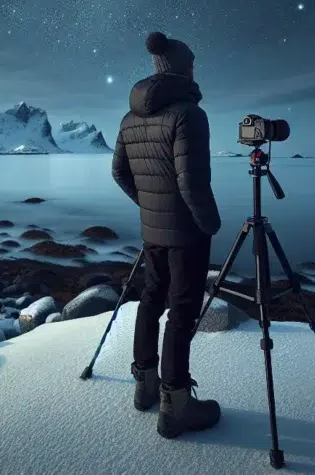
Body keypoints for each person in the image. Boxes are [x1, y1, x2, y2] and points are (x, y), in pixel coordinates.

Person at [111, 30, 223, 439]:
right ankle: (176, 405)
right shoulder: (188, 115)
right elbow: (192, 184)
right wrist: (209, 223)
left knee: (150, 299)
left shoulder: (130, 116)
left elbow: (120, 172)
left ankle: (145, 386)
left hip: (153, 228)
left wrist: (150, 205)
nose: (195, 71)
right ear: (180, 68)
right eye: (192, 64)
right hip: (186, 233)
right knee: (182, 311)